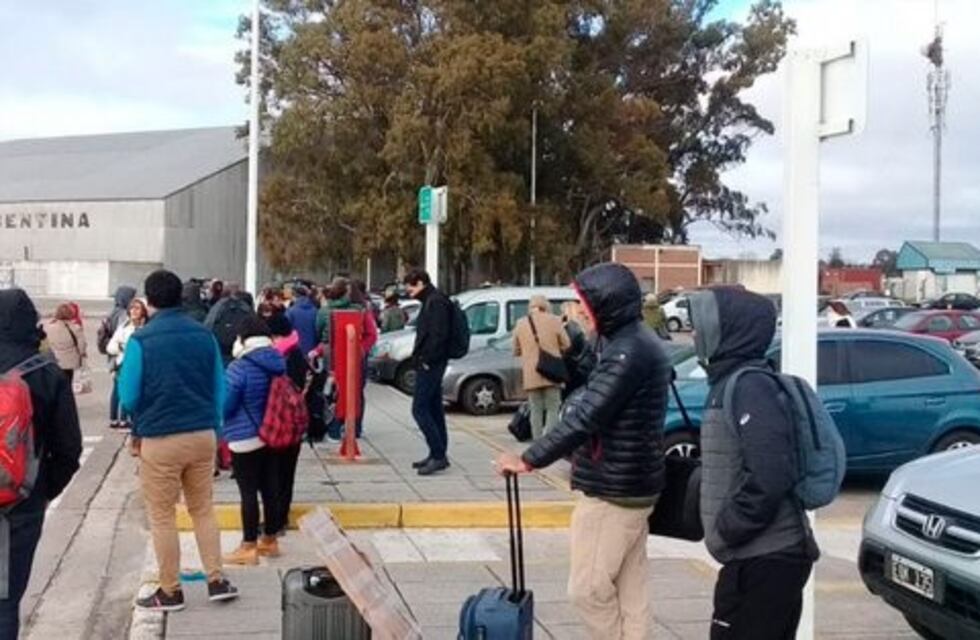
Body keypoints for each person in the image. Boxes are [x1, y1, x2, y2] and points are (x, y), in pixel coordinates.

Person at [495, 262, 669, 640]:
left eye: (582, 304)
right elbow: (591, 381)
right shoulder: (634, 341)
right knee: (630, 588)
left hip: (614, 488)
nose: (577, 310)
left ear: (605, 305)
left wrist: (527, 459)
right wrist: (579, 345)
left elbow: (586, 417)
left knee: (587, 590)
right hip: (635, 483)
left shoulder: (627, 352)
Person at [687, 287, 818, 640]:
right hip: (754, 556)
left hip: (768, 557)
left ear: (729, 330)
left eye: (702, 326)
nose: (695, 334)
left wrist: (729, 526)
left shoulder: (751, 387)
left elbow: (771, 473)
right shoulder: (731, 382)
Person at [119, 270, 238, 611]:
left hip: (161, 437)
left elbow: (127, 396)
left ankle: (170, 591)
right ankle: (216, 580)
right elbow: (220, 387)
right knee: (203, 509)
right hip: (202, 435)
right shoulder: (204, 336)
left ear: (150, 299)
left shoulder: (142, 340)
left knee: (162, 515)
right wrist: (214, 426)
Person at [0, 290, 82, 639]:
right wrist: (45, 491)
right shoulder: (45, 372)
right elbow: (68, 449)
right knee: (5, 598)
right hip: (21, 500)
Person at [222, 315, 286, 564]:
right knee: (270, 488)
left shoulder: (239, 367)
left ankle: (248, 545)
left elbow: (227, 406)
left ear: (243, 339)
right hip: (273, 432)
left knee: (248, 491)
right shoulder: (277, 361)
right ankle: (270, 540)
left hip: (245, 435)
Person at [404, 269, 455, 476]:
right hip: (430, 362)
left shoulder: (436, 302)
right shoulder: (432, 301)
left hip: (431, 363)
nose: (409, 291)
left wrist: (426, 360)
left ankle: (438, 455)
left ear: (422, 283)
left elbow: (438, 335)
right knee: (434, 409)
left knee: (420, 409)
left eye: (411, 286)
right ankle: (438, 453)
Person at [267, 314, 308, 537]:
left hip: (282, 424)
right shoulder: (296, 352)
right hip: (294, 425)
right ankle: (280, 516)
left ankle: (277, 519)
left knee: (276, 474)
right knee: (286, 473)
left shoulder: (282, 358)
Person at [513, 296, 571, 439]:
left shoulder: (520, 323)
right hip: (552, 371)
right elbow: (567, 344)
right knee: (553, 407)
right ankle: (548, 440)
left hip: (531, 373)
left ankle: (537, 441)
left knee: (535, 409)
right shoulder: (554, 320)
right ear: (546, 306)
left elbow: (516, 350)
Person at [105, 298, 148, 430]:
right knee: (119, 390)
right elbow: (110, 347)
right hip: (122, 363)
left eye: (137, 308)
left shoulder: (146, 328)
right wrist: (123, 348)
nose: (133, 311)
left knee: (129, 389)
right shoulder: (124, 327)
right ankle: (115, 418)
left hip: (137, 363)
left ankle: (125, 418)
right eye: (132, 308)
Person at [205, 287, 257, 366]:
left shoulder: (218, 307)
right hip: (243, 353)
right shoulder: (246, 310)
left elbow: (208, 326)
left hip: (221, 354)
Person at [43, 303, 87, 386]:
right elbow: (82, 346)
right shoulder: (76, 328)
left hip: (54, 361)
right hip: (70, 362)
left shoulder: (49, 327)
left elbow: (44, 345)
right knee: (67, 384)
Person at [560, 301, 596, 400]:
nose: (584, 315)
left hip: (573, 373)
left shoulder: (569, 329)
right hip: (579, 372)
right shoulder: (577, 330)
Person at [285, 285, 318, 354]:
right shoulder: (315, 310)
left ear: (294, 296)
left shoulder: (290, 312)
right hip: (313, 350)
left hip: (295, 350)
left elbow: (286, 331)